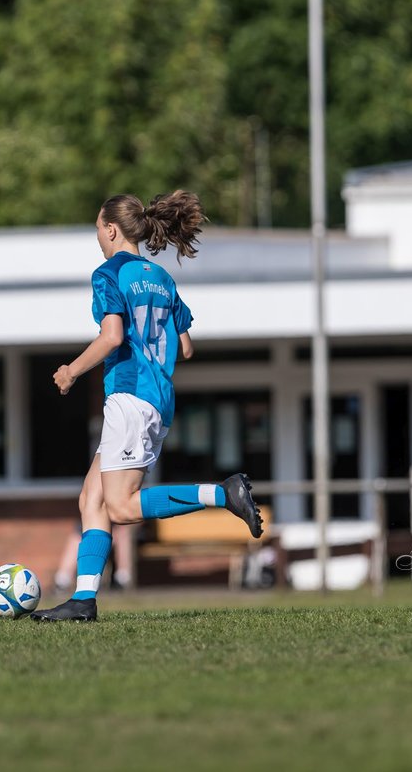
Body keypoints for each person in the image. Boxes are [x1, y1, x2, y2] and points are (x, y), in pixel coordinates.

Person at [31, 191, 263, 622]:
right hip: (155, 398)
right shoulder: (162, 279)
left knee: (119, 506)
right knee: (92, 499)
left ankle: (221, 493)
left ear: (111, 229)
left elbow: (113, 337)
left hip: (130, 397)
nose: (98, 238)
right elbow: (186, 348)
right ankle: (83, 600)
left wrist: (71, 371)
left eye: (98, 230)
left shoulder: (109, 273)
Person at [53, 523, 136, 593]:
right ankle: (62, 581)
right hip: (93, 527)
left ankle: (122, 579)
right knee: (77, 536)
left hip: (118, 527)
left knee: (123, 532)